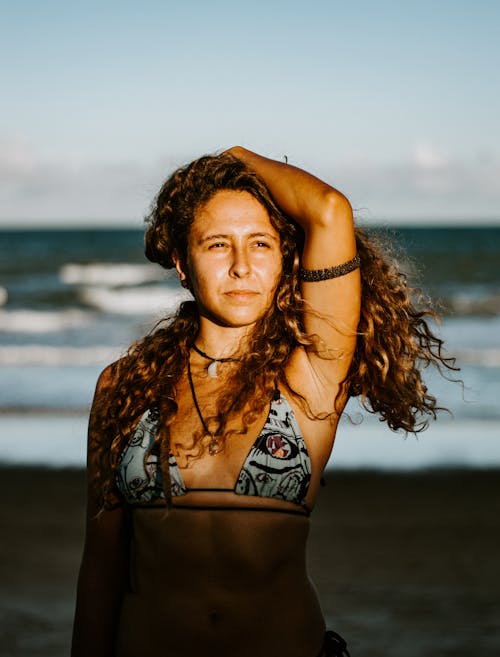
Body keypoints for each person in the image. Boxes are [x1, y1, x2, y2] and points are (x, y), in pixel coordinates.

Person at [71, 147, 455, 657]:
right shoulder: (124, 386)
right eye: (216, 245)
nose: (240, 266)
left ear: (284, 260)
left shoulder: (311, 374)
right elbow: (101, 565)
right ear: (183, 265)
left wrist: (230, 159)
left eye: (260, 244)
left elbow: (328, 210)